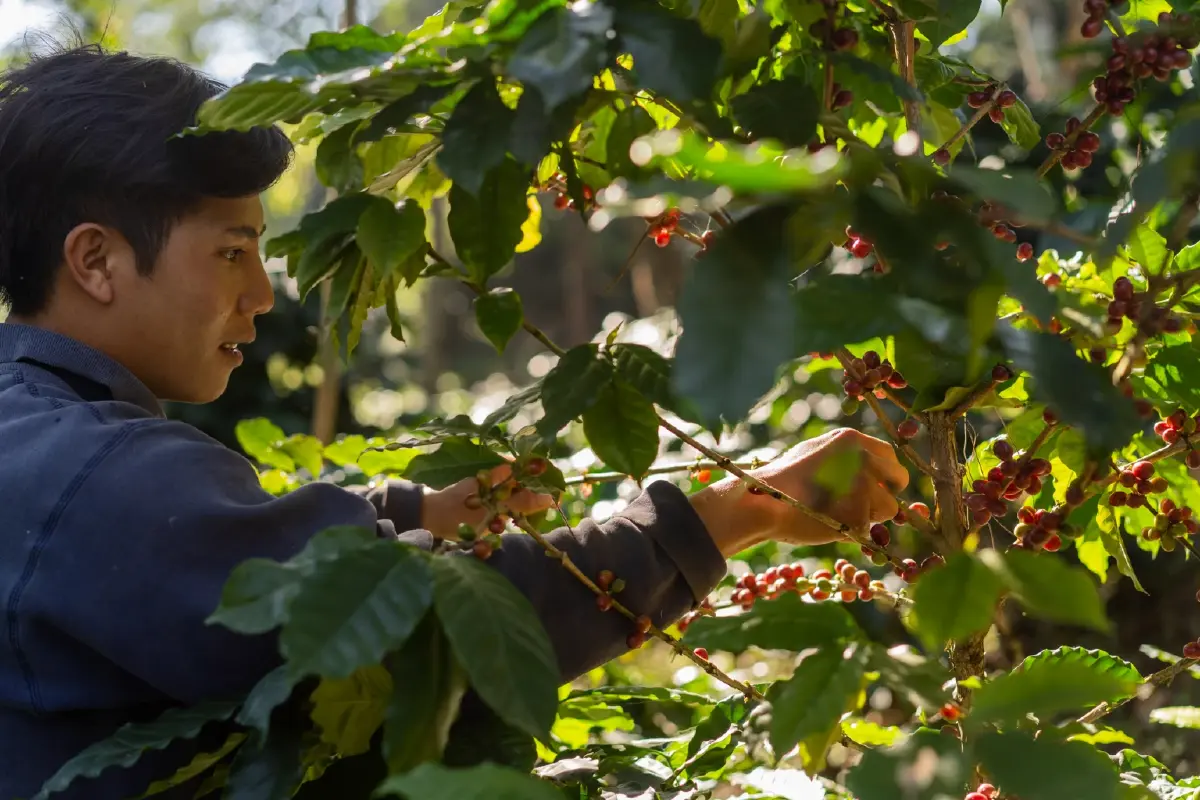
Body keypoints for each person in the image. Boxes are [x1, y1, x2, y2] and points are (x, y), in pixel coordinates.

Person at [0, 42, 908, 799]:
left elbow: (225, 554)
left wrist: (412, 513)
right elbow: (409, 626)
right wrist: (736, 511)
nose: (262, 295)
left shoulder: (37, 435)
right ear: (96, 261)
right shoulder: (87, 475)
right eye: (231, 252)